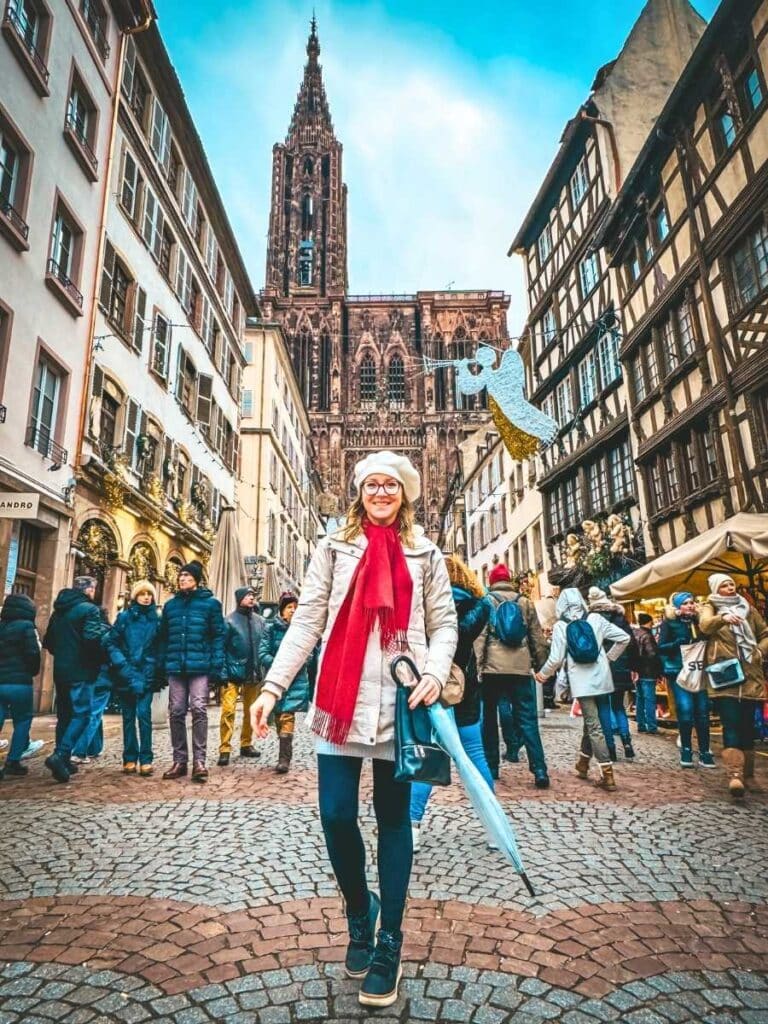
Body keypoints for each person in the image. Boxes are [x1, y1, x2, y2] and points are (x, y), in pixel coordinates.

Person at [251, 451, 457, 1009]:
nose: (381, 493)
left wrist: (435, 672)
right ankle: (359, 910)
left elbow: (445, 624)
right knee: (337, 815)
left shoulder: (426, 552)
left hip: (400, 701)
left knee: (393, 820)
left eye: (391, 485)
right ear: (359, 492)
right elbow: (307, 622)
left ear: (404, 494)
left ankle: (389, 940)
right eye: (372, 485)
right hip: (339, 700)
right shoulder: (333, 547)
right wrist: (272, 688)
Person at [410, 555, 492, 851]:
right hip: (464, 689)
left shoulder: (424, 602)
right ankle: (493, 827)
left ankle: (412, 825)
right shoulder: (479, 605)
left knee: (428, 757)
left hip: (431, 687)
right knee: (475, 755)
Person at [535, 588, 630, 791]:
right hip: (602, 678)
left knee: (594, 726)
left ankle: (607, 774)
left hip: (581, 681)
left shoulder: (561, 626)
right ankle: (583, 764)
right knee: (592, 723)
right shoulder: (596, 618)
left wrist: (542, 675)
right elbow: (624, 638)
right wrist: (608, 658)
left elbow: (556, 658)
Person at [476, 564, 550, 788]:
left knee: (489, 719)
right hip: (520, 669)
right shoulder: (524, 602)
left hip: (492, 669)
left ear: (492, 581)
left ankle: (492, 766)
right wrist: (540, 666)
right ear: (509, 580)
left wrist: (478, 667)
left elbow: (481, 638)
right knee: (527, 719)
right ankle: (539, 769)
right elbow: (537, 637)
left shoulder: (486, 602)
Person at [699, 573, 768, 798]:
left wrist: (759, 652)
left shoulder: (748, 608)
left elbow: (765, 634)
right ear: (715, 589)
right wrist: (723, 618)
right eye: (724, 585)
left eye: (731, 584)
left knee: (749, 727)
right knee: (731, 724)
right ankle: (735, 775)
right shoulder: (710, 607)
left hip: (751, 675)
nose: (730, 587)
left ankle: (748, 775)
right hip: (725, 676)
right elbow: (705, 626)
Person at [158, 560, 225, 783]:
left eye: (187, 576)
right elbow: (164, 636)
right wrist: (162, 664)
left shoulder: (211, 604)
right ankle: (179, 761)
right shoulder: (171, 606)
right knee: (176, 711)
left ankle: (199, 761)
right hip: (176, 665)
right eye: (181, 576)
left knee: (198, 708)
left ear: (196, 579)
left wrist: (216, 666)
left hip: (201, 666)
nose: (183, 579)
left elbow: (218, 636)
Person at [43, 576, 109, 783]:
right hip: (82, 671)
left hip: (61, 670)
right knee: (82, 714)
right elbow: (92, 640)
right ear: (89, 590)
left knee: (65, 714)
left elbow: (49, 642)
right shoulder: (90, 610)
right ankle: (61, 754)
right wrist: (98, 658)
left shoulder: (59, 611)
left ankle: (63, 760)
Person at [104, 580, 163, 776]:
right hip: (126, 673)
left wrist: (155, 665)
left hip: (147, 673)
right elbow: (112, 642)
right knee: (128, 717)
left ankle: (146, 759)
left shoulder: (157, 620)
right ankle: (129, 758)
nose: (146, 597)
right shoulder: (124, 618)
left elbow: (160, 646)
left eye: (149, 594)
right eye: (142, 594)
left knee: (144, 715)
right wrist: (121, 664)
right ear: (135, 596)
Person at [658, 591, 714, 769]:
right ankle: (686, 750)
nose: (690, 605)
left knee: (703, 712)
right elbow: (661, 647)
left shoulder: (700, 622)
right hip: (679, 672)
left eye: (692, 602)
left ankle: (705, 752)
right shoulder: (670, 623)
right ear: (678, 607)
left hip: (699, 671)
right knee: (685, 709)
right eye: (685, 603)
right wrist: (677, 644)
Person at [258, 592, 313, 773]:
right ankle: (284, 749)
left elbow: (309, 653)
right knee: (278, 716)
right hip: (275, 678)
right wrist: (280, 665)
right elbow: (263, 653)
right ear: (282, 610)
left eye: (296, 607)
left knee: (287, 715)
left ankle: (284, 759)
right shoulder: (270, 628)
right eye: (289, 607)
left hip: (296, 680)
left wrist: (296, 663)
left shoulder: (302, 630)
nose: (293, 610)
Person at [587, 587, 638, 760]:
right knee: (618, 707)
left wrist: (607, 658)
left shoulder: (592, 619)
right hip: (621, 667)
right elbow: (631, 643)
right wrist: (633, 667)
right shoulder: (619, 617)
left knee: (604, 707)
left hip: (602, 667)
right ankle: (627, 743)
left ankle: (610, 748)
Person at [218, 586, 265, 767]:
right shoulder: (229, 621)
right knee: (228, 710)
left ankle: (246, 743)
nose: (251, 598)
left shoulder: (260, 621)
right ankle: (225, 748)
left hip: (253, 672)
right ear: (239, 599)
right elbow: (222, 648)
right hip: (232, 672)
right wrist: (223, 672)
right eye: (247, 595)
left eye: (253, 595)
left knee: (250, 711)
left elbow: (263, 646)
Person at [0, 594, 40, 779]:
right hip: (20, 683)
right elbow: (33, 653)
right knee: (22, 721)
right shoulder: (26, 627)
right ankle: (13, 761)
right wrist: (31, 671)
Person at [71, 607, 113, 765]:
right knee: (94, 713)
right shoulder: (108, 634)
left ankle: (95, 747)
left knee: (92, 712)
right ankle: (80, 751)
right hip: (103, 677)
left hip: (85, 676)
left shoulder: (83, 633)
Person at [632, 613, 663, 734]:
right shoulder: (648, 635)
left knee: (639, 698)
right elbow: (652, 654)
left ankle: (641, 724)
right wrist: (659, 671)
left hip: (637, 671)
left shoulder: (634, 633)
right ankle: (652, 726)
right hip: (648, 671)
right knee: (650, 700)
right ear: (649, 622)